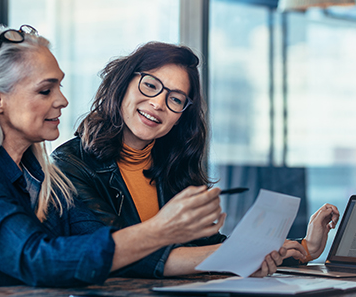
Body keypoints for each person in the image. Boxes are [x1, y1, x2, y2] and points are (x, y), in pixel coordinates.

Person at [0, 24, 233, 293]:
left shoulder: (42, 176)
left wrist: (241, 254)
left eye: (60, 86)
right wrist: (161, 230)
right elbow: (39, 261)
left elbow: (89, 248)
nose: (62, 100)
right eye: (45, 91)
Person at [51, 41, 340, 272]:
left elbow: (207, 246)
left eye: (175, 99)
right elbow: (116, 254)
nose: (158, 103)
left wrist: (304, 248)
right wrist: (236, 256)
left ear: (181, 115)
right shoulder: (70, 164)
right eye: (150, 85)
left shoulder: (174, 165)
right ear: (123, 84)